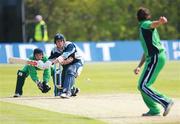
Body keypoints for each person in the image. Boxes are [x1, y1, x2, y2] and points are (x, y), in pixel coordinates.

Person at [134, 7, 173, 116]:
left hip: (155, 57)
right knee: (142, 85)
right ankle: (154, 110)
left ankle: (166, 101)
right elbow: (146, 50)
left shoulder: (144, 24)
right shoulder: (144, 28)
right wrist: (139, 66)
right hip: (154, 58)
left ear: (137, 18)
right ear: (148, 16)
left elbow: (152, 24)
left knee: (143, 85)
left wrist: (160, 22)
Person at [49, 33, 84, 98]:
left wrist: (59, 60)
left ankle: (66, 92)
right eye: (58, 41)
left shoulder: (69, 45)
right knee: (63, 82)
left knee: (70, 70)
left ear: (64, 41)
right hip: (66, 64)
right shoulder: (54, 50)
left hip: (77, 61)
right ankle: (73, 91)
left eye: (61, 41)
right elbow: (50, 60)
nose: (60, 43)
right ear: (55, 43)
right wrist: (44, 64)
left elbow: (66, 54)